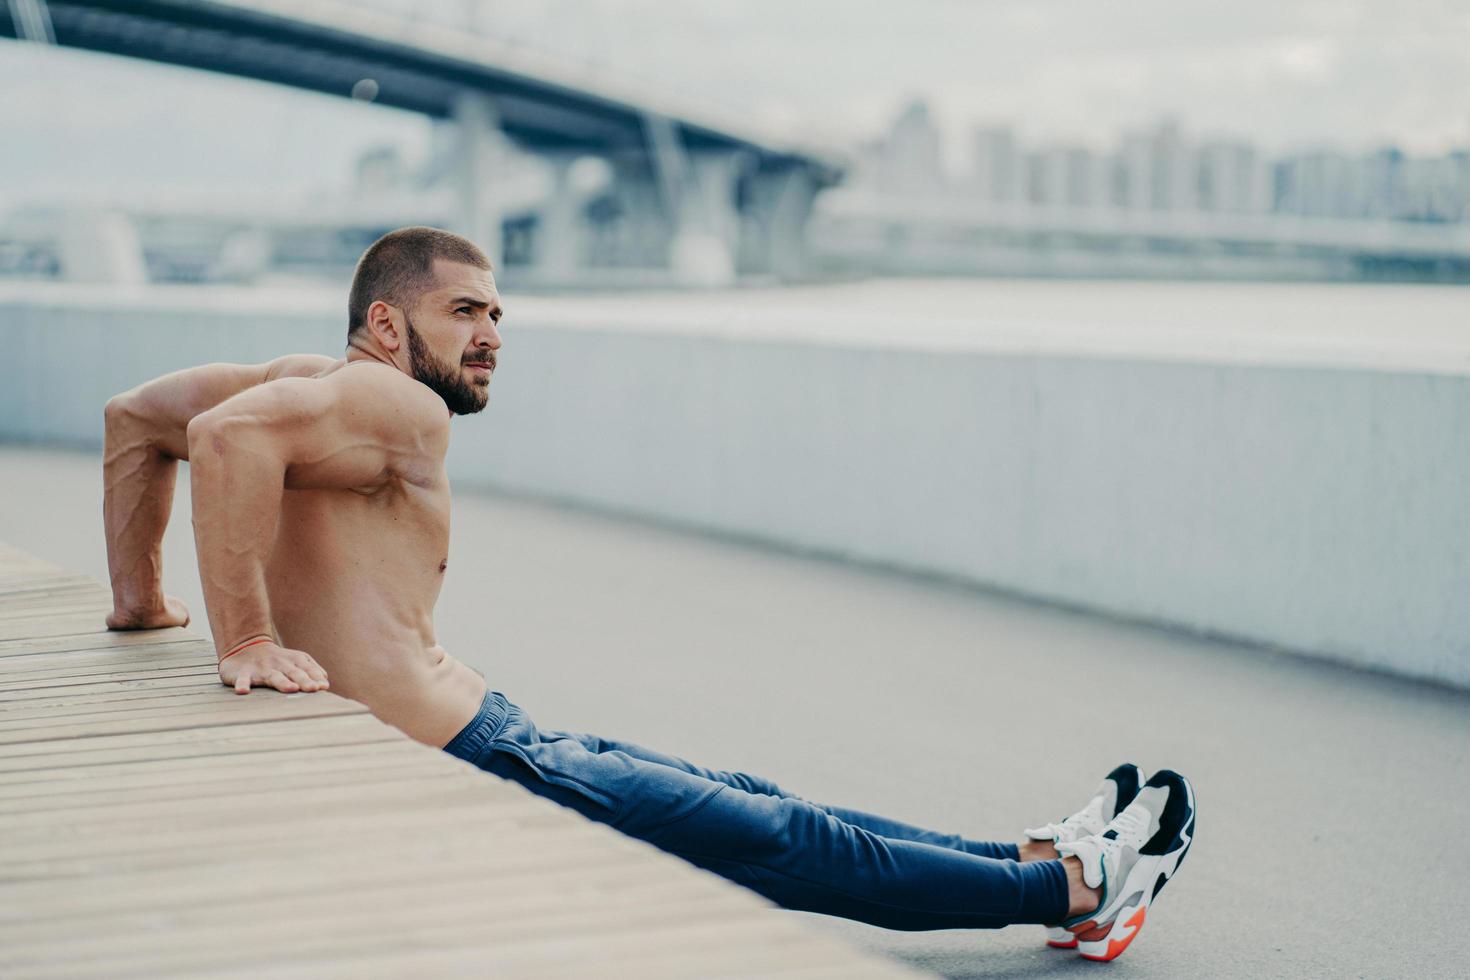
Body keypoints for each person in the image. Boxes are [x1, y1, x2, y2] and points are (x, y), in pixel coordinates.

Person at [101, 226, 1194, 960]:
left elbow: (134, 422)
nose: (490, 335)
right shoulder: (397, 404)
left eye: (498, 315)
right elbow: (215, 438)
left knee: (765, 803)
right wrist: (241, 635)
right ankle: (1082, 891)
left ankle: (1035, 854)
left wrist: (141, 600)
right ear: (388, 326)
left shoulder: (306, 381)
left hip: (497, 729)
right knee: (783, 842)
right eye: (464, 312)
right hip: (481, 761)